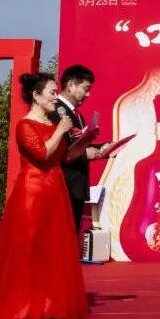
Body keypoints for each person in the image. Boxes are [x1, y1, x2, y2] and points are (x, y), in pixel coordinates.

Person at [0, 72, 89, 319]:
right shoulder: (25, 125)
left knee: (53, 251)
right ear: (36, 96)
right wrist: (61, 130)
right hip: (33, 191)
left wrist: (86, 143)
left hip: (56, 191)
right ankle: (24, 308)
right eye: (52, 93)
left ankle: (51, 307)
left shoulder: (52, 124)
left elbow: (63, 157)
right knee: (30, 250)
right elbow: (42, 153)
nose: (55, 97)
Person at [52, 64, 102, 236]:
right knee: (62, 236)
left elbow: (79, 145)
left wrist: (105, 148)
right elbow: (58, 148)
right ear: (71, 85)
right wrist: (84, 155)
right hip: (64, 185)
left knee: (72, 235)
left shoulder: (76, 115)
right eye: (85, 89)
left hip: (76, 186)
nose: (88, 95)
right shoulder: (55, 111)